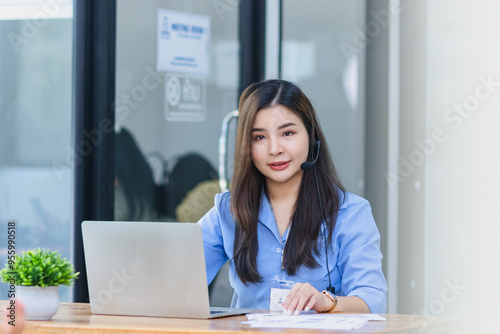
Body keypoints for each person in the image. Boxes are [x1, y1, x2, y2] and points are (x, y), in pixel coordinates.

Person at [197, 79, 387, 315]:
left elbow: (373, 301)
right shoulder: (229, 209)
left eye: (287, 133)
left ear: (311, 137)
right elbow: (177, 277)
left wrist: (327, 302)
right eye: (260, 137)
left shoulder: (350, 212)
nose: (274, 149)